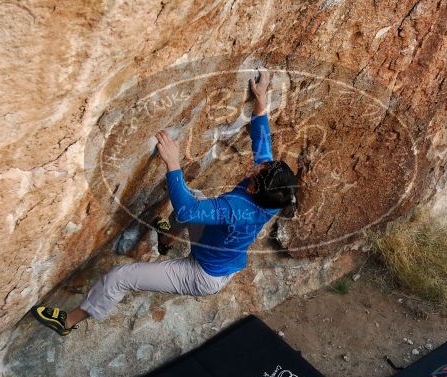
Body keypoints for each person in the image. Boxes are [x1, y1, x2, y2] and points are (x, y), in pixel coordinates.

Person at [31, 69, 299, 335]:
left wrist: (173, 163)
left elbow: (186, 210)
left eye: (257, 173)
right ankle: (167, 240)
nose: (256, 167)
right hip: (217, 252)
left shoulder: (237, 209)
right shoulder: (274, 194)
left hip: (201, 275)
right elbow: (262, 147)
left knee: (121, 277)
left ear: (253, 189)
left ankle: (67, 323)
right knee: (195, 197)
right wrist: (261, 100)